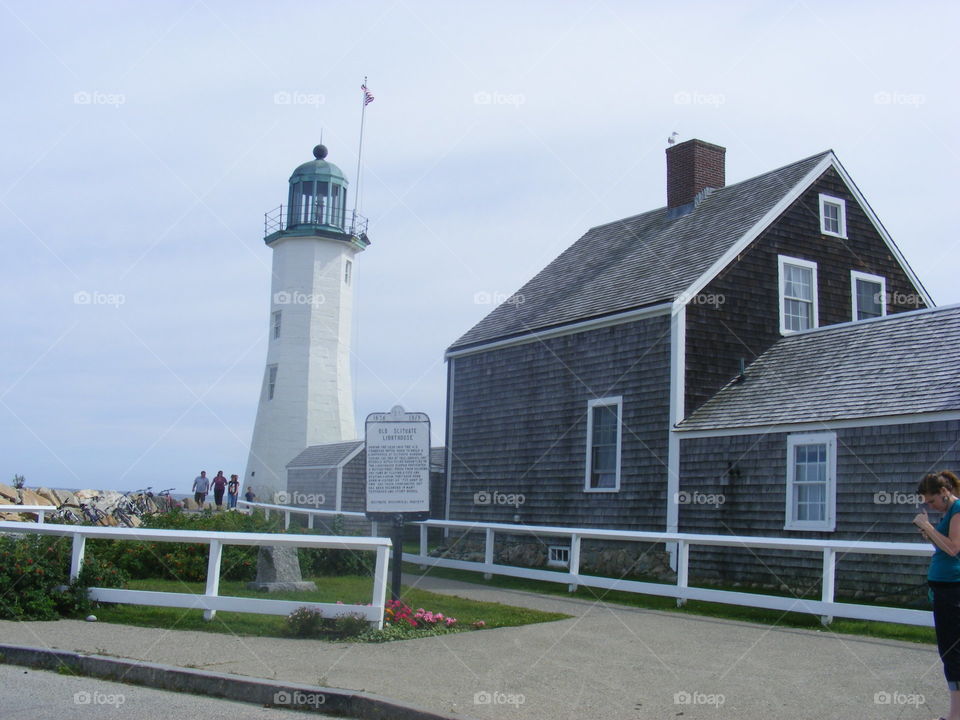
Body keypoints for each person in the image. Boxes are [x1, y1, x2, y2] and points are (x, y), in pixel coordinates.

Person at [913, 469, 960, 720]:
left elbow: (952, 549)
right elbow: (943, 547)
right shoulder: (949, 512)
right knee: (950, 650)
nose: (930, 506)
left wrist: (928, 526)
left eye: (931, 501)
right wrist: (930, 533)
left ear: (944, 492)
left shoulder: (958, 509)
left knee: (952, 652)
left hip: (952, 589)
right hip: (944, 588)